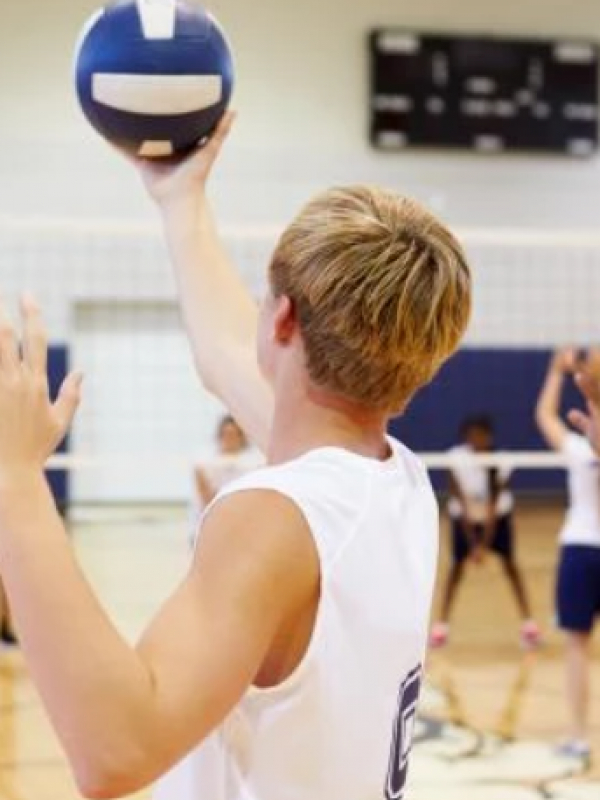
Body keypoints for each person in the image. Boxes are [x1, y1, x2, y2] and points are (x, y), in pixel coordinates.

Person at [0, 114, 471, 800]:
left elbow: (115, 750)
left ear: (280, 320)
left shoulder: (275, 522)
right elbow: (226, 353)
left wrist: (15, 480)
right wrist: (180, 198)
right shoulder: (396, 479)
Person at [535, 348, 600, 760]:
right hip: (579, 547)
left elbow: (544, 416)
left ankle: (578, 736)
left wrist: (555, 372)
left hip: (580, 551)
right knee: (575, 646)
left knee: (577, 647)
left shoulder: (579, 448)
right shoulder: (581, 447)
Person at [430, 416, 540, 649]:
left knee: (511, 566)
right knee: (455, 570)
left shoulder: (500, 460)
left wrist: (483, 545)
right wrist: (472, 543)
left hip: (497, 521)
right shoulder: (455, 458)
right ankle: (441, 627)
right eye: (473, 435)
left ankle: (529, 625)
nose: (478, 440)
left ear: (489, 437)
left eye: (482, 435)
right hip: (465, 520)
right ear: (466, 437)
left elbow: (493, 505)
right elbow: (457, 495)